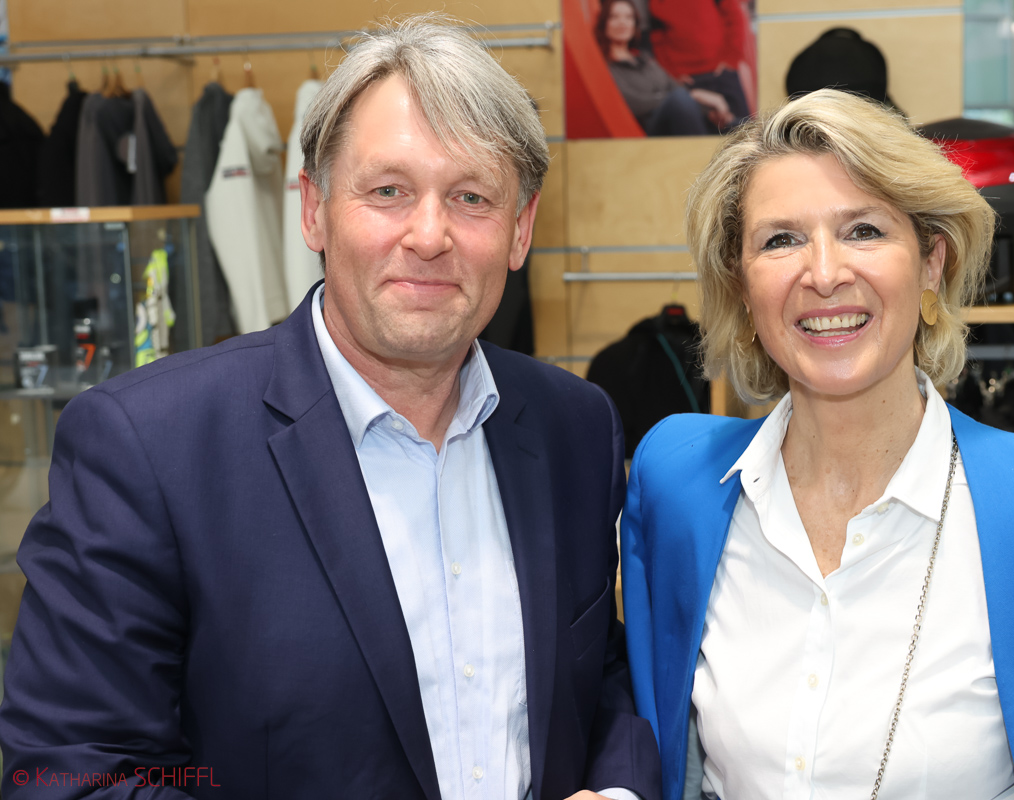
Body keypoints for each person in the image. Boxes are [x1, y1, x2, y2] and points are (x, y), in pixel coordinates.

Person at [0, 15, 660, 800]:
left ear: (520, 230)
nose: (429, 235)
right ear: (312, 209)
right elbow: (71, 774)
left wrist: (618, 791)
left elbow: (598, 674)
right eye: (388, 191)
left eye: (471, 197)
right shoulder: (148, 446)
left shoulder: (576, 428)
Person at [619, 89, 1014, 800]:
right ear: (742, 285)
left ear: (931, 263)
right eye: (781, 240)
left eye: (863, 230)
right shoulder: (676, 483)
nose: (824, 273)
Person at [595, 0, 731, 136]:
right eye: (614, 17)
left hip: (680, 119)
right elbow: (634, 104)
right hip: (649, 130)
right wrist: (694, 95)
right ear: (604, 23)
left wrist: (708, 111)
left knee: (733, 123)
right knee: (679, 99)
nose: (622, 22)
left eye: (628, 17)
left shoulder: (645, 59)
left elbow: (675, 87)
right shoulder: (605, 66)